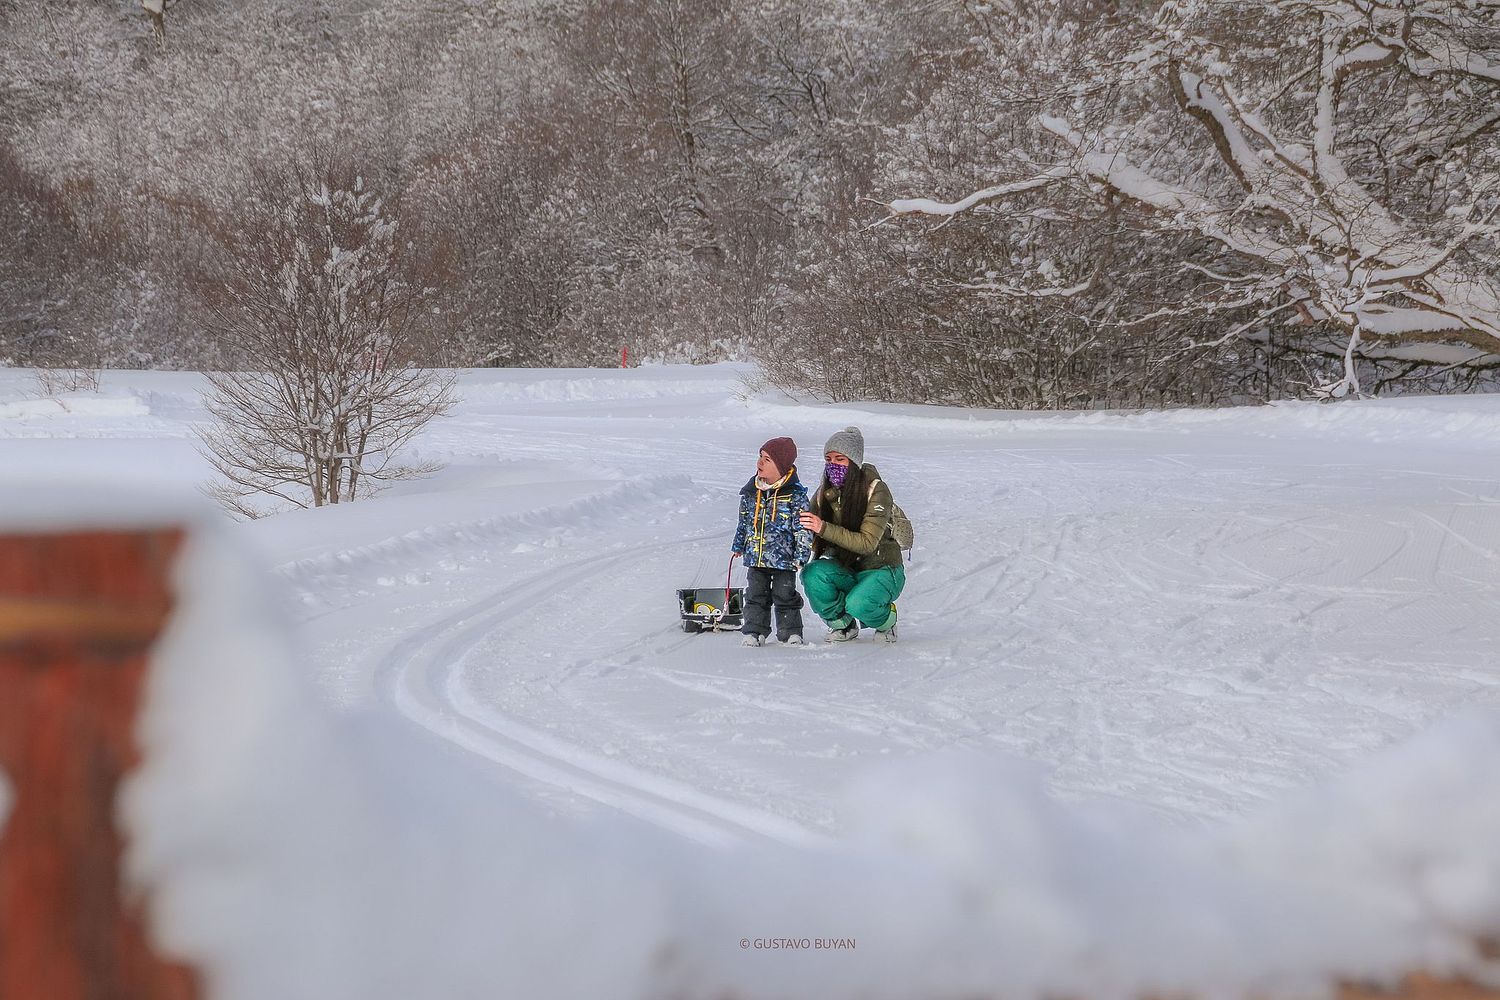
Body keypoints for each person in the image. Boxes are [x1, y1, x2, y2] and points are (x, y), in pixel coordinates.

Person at [798, 426, 904, 643]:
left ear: (854, 462)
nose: (833, 465)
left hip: (881, 568)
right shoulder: (824, 494)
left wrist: (823, 528)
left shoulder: (877, 491)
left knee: (859, 603)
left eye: (840, 459)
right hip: (848, 568)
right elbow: (805, 527)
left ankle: (887, 621)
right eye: (828, 459)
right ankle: (843, 625)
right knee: (812, 574)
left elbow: (867, 543)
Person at [730, 436, 813, 647]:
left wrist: (801, 555)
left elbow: (803, 529)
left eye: (766, 459)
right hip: (756, 557)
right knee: (755, 595)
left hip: (784, 560)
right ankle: (754, 631)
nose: (759, 463)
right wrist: (739, 544)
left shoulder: (795, 496)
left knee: (785, 595)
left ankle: (790, 632)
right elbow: (744, 522)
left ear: (781, 466)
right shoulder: (751, 493)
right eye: (760, 457)